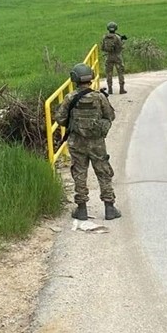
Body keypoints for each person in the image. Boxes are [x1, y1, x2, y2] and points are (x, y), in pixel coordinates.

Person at [54, 63, 121, 221]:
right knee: (103, 172)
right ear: (90, 77)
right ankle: (109, 208)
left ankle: (82, 209)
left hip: (76, 142)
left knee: (79, 173)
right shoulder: (99, 97)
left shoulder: (70, 98)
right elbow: (110, 116)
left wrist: (74, 123)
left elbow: (60, 118)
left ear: (74, 78)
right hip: (97, 142)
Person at [100, 21, 127, 95]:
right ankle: (121, 89)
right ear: (116, 28)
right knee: (120, 72)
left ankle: (110, 89)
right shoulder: (117, 37)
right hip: (117, 56)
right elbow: (121, 47)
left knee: (109, 73)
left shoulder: (105, 37)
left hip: (109, 56)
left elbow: (102, 48)